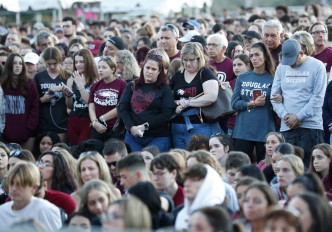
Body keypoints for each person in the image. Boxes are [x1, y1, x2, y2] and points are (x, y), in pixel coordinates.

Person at [271, 39, 327, 167]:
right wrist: (285, 116)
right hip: (287, 126)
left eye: (293, 61)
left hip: (310, 126)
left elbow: (318, 98)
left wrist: (298, 117)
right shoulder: (281, 67)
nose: (290, 65)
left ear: (301, 53)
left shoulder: (317, 66)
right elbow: (274, 97)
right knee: (287, 167)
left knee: (310, 168)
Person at [119, 53, 174, 152]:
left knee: (154, 165)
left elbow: (166, 114)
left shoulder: (165, 88)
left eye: (153, 69)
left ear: (159, 71)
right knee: (134, 165)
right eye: (147, 68)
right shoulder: (132, 85)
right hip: (133, 136)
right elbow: (123, 108)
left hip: (158, 136)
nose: (149, 72)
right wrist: (131, 127)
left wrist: (145, 126)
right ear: (142, 68)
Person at [170, 42, 221, 149]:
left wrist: (188, 103)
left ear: (199, 58)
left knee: (199, 159)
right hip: (177, 125)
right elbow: (167, 97)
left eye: (191, 60)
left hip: (199, 125)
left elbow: (211, 96)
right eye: (185, 60)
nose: (188, 63)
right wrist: (177, 103)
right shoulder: (178, 74)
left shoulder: (205, 73)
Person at [231, 42, 275, 163]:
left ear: (265, 56)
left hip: (264, 130)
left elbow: (277, 105)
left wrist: (277, 99)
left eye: (257, 55)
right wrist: (252, 103)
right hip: (242, 130)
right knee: (240, 167)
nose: (254, 58)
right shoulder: (242, 77)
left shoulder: (274, 78)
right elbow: (234, 104)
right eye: (251, 56)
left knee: (265, 169)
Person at [0, 162, 62, 231]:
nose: (14, 188)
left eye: (20, 184)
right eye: (11, 183)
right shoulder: (2, 211)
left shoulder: (46, 210)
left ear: (34, 188)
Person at [1, 53, 39, 151]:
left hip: (27, 134)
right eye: (14, 63)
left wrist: (28, 129)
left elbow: (35, 109)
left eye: (20, 63)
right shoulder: (2, 84)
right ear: (9, 65)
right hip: (5, 134)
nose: (18, 66)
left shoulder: (30, 84)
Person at [34, 47, 70, 142]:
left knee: (59, 151)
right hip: (43, 122)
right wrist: (42, 99)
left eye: (55, 63)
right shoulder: (39, 76)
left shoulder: (67, 75)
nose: (52, 67)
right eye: (49, 64)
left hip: (61, 121)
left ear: (60, 61)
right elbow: (32, 101)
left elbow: (72, 104)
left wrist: (64, 91)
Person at [175, 164, 225, 231]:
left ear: (208, 184)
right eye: (186, 179)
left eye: (194, 180)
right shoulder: (180, 213)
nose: (186, 184)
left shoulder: (223, 214)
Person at [64, 48, 99, 145]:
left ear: (88, 62)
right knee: (73, 150)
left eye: (82, 62)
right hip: (73, 119)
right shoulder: (71, 79)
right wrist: (68, 96)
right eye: (76, 62)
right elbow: (69, 106)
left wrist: (80, 84)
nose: (78, 64)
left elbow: (90, 102)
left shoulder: (96, 80)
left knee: (82, 149)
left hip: (88, 120)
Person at [88, 56, 127, 142]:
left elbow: (121, 107)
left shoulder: (122, 84)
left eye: (104, 67)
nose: (100, 70)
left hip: (115, 128)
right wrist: (94, 122)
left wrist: (102, 118)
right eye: (99, 67)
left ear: (112, 69)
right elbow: (91, 106)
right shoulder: (95, 85)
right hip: (98, 127)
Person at [227, 53, 251, 135]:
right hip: (233, 125)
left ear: (248, 66)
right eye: (234, 65)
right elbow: (227, 106)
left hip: (249, 125)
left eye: (240, 64)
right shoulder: (230, 84)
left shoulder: (254, 83)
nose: (236, 68)